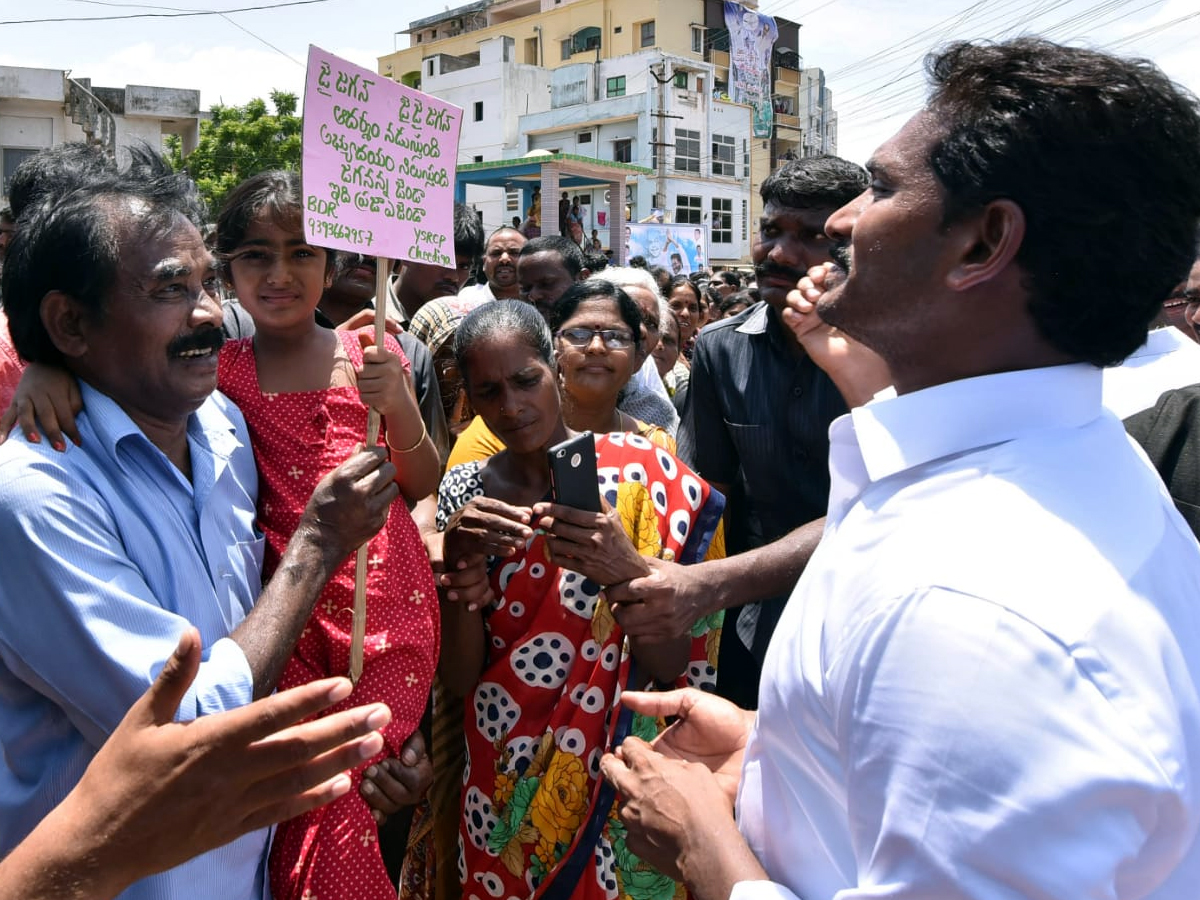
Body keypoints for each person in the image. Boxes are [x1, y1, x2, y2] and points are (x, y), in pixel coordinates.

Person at [602, 37, 1200, 900]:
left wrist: (706, 846)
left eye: (880, 189)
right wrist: (782, 754)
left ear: (984, 243)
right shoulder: (1060, 472)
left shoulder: (972, 611)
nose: (841, 223)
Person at [0, 165, 395, 900]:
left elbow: (273, 638)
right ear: (70, 324)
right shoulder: (36, 496)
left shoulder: (223, 425)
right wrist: (316, 547)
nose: (212, 314)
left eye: (209, 285)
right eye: (170, 290)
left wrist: (371, 747)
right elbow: (189, 731)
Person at [436, 299, 725, 900]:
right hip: (500, 767)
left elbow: (674, 667)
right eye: (489, 392)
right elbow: (462, 676)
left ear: (554, 368)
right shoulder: (470, 493)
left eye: (526, 380)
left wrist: (621, 569)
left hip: (620, 765)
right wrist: (459, 561)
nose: (512, 407)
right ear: (469, 399)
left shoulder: (645, 474)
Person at [211, 170, 441, 900]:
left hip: (390, 614)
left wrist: (399, 406)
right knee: (315, 806)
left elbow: (422, 478)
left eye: (301, 253)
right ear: (227, 270)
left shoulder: (375, 356)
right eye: (255, 256)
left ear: (335, 266)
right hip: (294, 622)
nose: (279, 275)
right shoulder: (220, 371)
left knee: (352, 795)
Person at [673, 156, 867, 709]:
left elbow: (882, 501)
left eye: (810, 236)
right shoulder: (719, 348)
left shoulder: (888, 351)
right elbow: (705, 493)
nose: (780, 253)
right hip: (754, 623)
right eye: (771, 230)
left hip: (861, 611)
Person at [0, 628, 394, 900]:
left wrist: (392, 739)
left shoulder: (239, 504)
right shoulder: (36, 513)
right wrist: (101, 846)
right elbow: (197, 732)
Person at [393, 202, 484, 321]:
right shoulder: (368, 316)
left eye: (464, 266)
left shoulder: (467, 329)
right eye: (443, 260)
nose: (453, 277)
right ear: (407, 254)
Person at [457, 225, 527, 303]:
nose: (504, 259)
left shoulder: (540, 301)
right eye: (496, 253)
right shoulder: (465, 300)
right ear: (484, 262)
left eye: (514, 252)